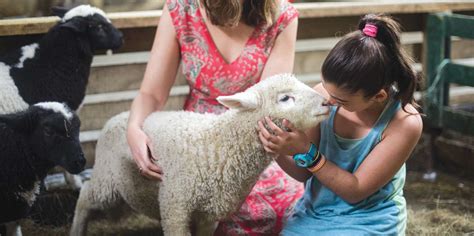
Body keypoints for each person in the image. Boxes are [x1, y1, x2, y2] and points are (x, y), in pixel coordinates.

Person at [126, 0, 301, 234]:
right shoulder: (181, 8)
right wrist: (134, 128)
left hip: (253, 138)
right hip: (195, 139)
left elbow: (270, 107)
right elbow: (151, 93)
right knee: (195, 204)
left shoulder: (281, 16)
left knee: (277, 211)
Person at [257, 14, 423, 235]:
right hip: (316, 213)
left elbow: (355, 190)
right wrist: (277, 147)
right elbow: (303, 174)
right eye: (326, 88)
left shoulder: (404, 123)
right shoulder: (322, 96)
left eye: (341, 100)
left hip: (369, 219)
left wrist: (306, 151)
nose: (328, 101)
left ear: (379, 96)